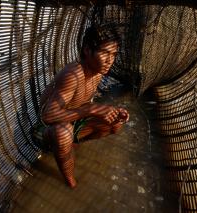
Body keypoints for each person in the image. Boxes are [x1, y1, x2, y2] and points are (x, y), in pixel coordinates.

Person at [34, 24, 129, 188]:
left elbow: (83, 103)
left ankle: (72, 143)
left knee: (115, 124)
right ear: (87, 50)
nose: (110, 60)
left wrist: (112, 113)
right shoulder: (74, 73)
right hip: (45, 129)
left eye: (113, 54)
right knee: (63, 133)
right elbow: (47, 116)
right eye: (104, 53)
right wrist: (90, 109)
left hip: (71, 119)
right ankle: (70, 182)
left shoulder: (98, 72)